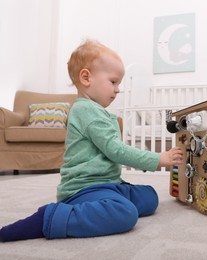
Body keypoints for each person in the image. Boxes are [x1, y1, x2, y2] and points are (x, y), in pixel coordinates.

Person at [0, 40, 184, 242]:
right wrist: (158, 159)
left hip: (109, 183)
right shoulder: (85, 110)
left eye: (119, 84)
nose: (117, 90)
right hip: (84, 188)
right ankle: (52, 217)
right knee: (126, 214)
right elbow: (116, 151)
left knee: (149, 197)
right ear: (86, 78)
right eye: (113, 82)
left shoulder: (97, 111)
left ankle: (110, 200)